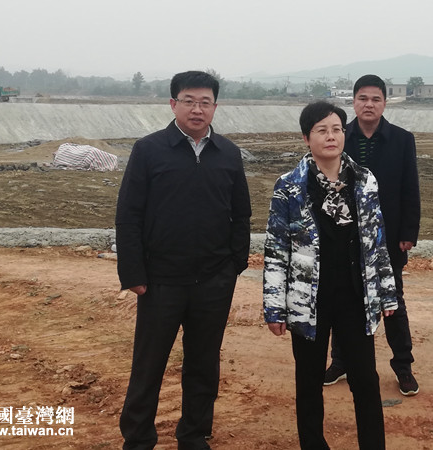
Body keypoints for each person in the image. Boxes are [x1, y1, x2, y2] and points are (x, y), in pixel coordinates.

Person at [115, 70, 252, 450]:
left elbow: (241, 214)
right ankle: (138, 438)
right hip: (161, 279)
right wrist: (133, 272)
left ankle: (193, 434)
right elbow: (128, 215)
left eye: (205, 102)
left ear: (215, 107)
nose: (197, 109)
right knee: (149, 363)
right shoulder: (149, 150)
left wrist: (234, 265)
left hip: (213, 279)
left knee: (203, 363)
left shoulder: (228, 153)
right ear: (173, 104)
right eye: (189, 101)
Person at [263, 101, 397, 449]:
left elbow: (377, 240)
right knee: (309, 381)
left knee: (365, 379)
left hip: (355, 295)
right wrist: (274, 307)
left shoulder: (364, 180)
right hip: (308, 299)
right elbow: (277, 250)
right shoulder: (290, 186)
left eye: (337, 129)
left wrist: (387, 292)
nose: (331, 136)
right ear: (306, 138)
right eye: (321, 130)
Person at [324, 74, 422, 397]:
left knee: (393, 301)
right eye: (362, 99)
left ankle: (403, 366)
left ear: (384, 103)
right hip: (345, 235)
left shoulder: (402, 139)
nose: (369, 105)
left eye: (375, 99)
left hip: (388, 236)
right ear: (353, 102)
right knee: (344, 300)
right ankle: (340, 361)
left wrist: (408, 232)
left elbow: (410, 188)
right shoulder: (340, 135)